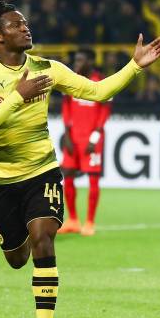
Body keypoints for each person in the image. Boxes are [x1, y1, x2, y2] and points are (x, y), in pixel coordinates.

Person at [0, 1, 160, 318]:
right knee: (16, 257)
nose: (26, 28)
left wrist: (135, 66)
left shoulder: (47, 69)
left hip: (42, 170)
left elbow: (98, 92)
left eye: (26, 23)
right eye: (16, 25)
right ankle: (21, 240)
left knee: (44, 237)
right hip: (1, 178)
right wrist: (17, 96)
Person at [58, 49, 111, 236]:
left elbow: (104, 115)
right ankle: (72, 219)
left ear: (90, 60)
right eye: (76, 60)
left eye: (80, 60)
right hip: (73, 138)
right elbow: (65, 109)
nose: (77, 63)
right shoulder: (71, 81)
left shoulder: (101, 83)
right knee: (68, 176)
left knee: (93, 178)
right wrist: (66, 135)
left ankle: (89, 221)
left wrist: (94, 139)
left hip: (91, 140)